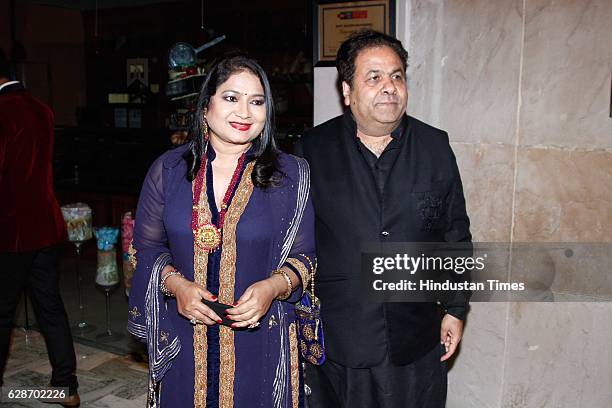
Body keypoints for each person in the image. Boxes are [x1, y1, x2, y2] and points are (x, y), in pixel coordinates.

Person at [127, 55, 315, 407]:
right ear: (205, 107)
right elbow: (145, 249)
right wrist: (177, 285)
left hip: (261, 338)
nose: (244, 112)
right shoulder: (168, 170)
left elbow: (305, 258)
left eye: (256, 102)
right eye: (231, 98)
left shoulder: (291, 175)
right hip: (185, 336)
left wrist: (272, 288)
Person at [296, 30, 471, 407]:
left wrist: (456, 309)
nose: (389, 87)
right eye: (373, 77)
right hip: (340, 339)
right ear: (347, 91)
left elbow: (455, 235)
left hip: (417, 336)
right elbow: (293, 240)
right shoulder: (311, 150)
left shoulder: (435, 146)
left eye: (396, 76)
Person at [0, 50, 80, 406]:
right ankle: (66, 386)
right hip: (45, 225)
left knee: (2, 313)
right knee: (50, 306)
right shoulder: (41, 108)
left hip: (11, 229)